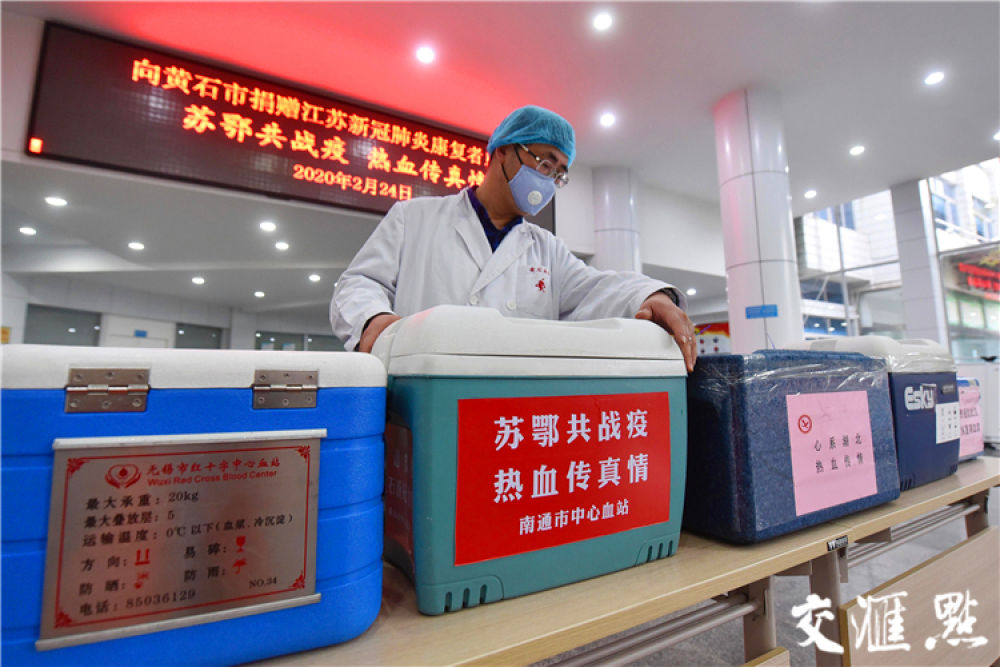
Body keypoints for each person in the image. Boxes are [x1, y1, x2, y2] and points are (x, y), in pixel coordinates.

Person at [330, 105, 697, 371]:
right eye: (545, 163)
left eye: (559, 173)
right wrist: (371, 319)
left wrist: (652, 296)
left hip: (509, 414)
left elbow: (597, 288)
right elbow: (360, 282)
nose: (550, 180)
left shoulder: (547, 249)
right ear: (503, 151)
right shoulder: (414, 218)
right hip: (421, 395)